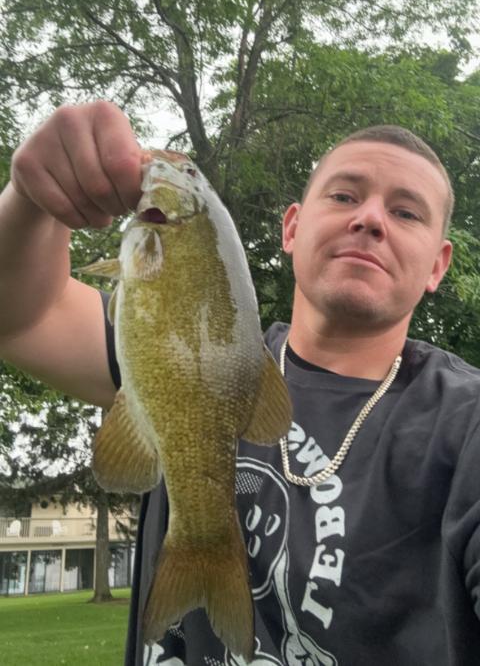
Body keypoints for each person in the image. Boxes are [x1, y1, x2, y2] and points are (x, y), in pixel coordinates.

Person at [1, 100, 479, 666]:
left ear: (437, 266)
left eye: (406, 212)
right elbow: (22, 317)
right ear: (292, 229)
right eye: (344, 196)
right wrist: (29, 200)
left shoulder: (466, 424)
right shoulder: (174, 345)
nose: (370, 219)